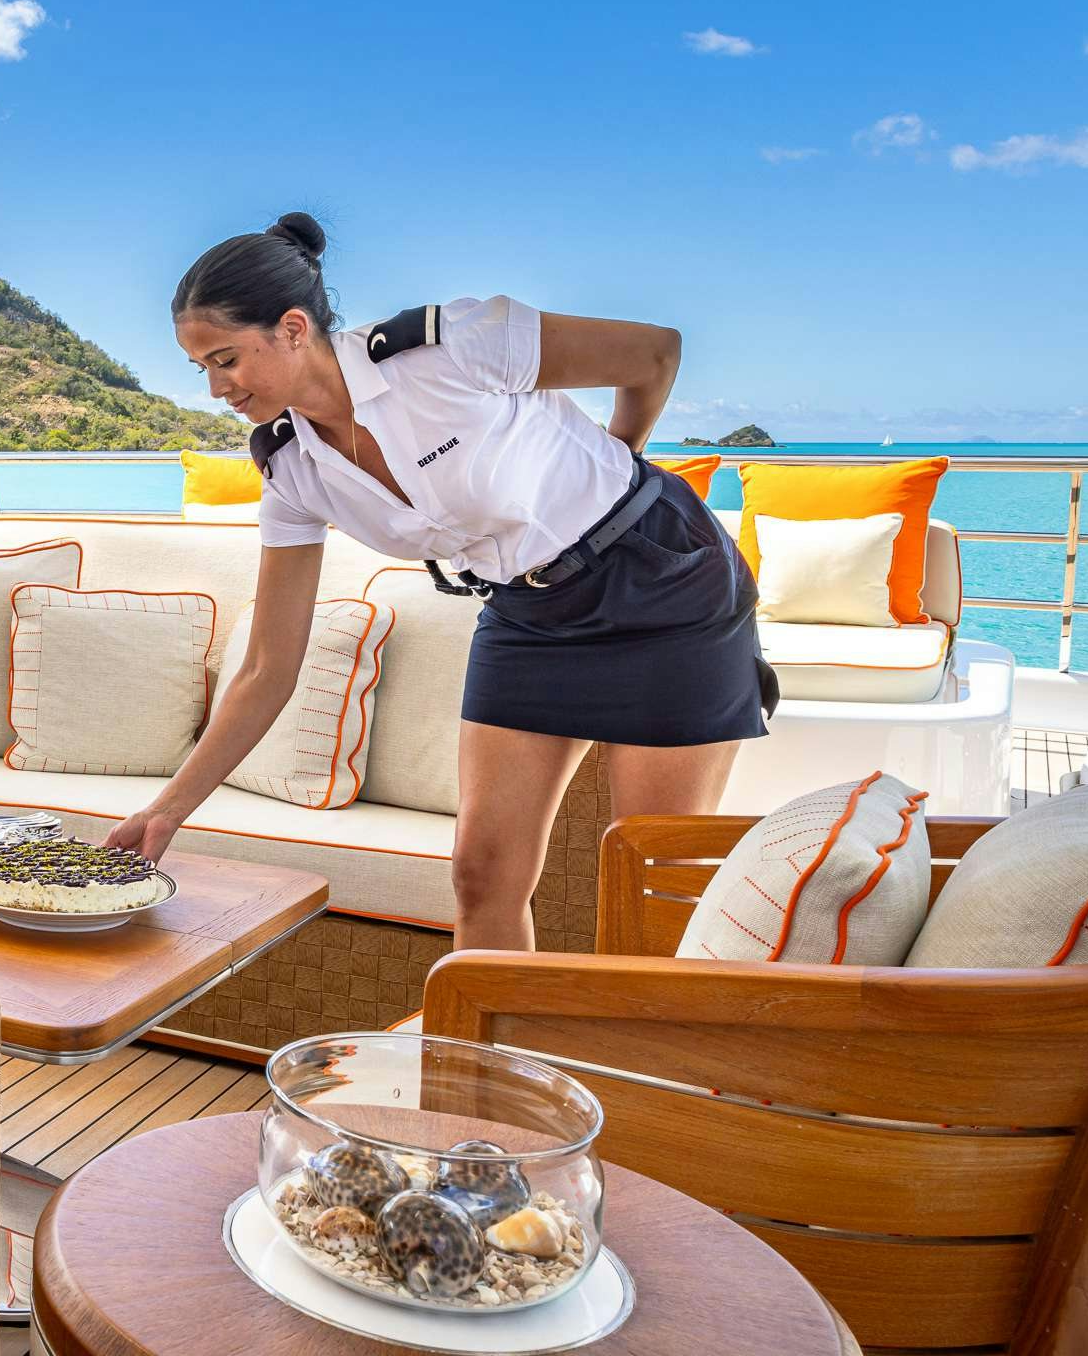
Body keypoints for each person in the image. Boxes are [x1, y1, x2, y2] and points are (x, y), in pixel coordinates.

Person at [104, 212, 774, 951]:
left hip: (662, 580)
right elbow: (268, 666)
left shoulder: (450, 347)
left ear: (293, 328)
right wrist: (169, 810)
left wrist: (618, 461)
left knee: (655, 888)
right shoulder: (289, 470)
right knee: (482, 876)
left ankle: (650, 1067)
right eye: (201, 368)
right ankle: (489, 1063)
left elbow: (654, 354)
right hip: (526, 611)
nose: (215, 388)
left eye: (225, 359)